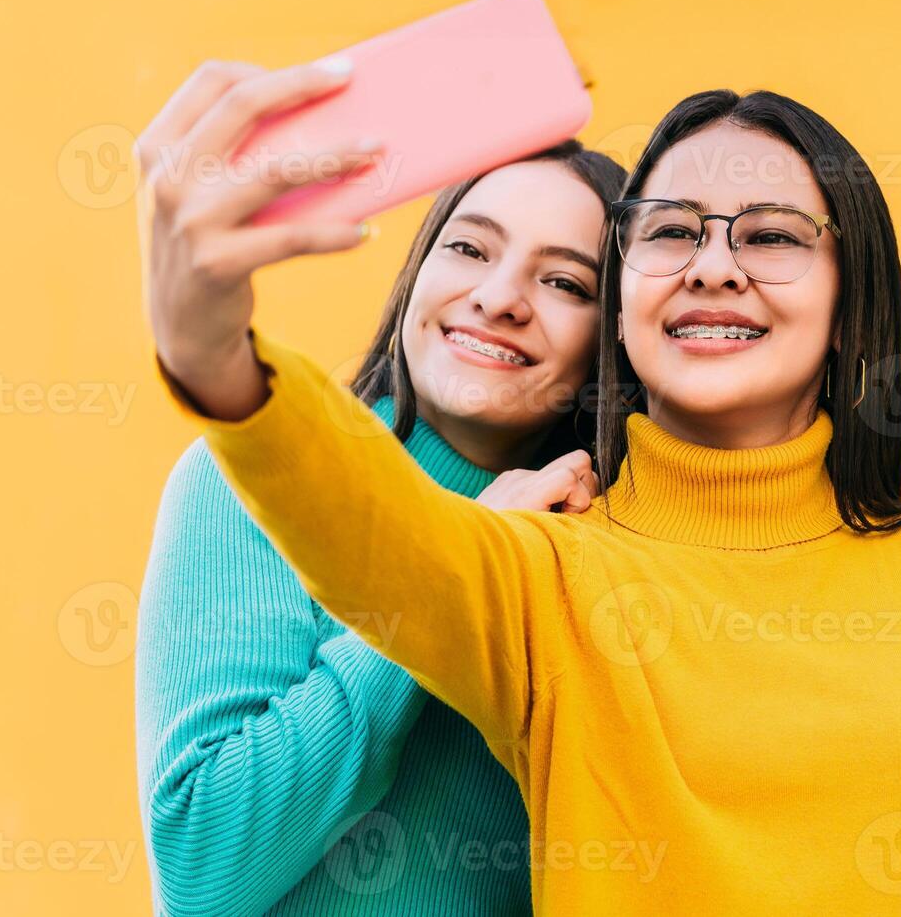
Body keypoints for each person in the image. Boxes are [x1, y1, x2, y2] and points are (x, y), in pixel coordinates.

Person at [143, 59, 901, 914]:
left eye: (772, 236)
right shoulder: (544, 566)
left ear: (848, 296)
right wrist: (212, 347)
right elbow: (363, 514)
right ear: (633, 310)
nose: (715, 266)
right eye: (672, 233)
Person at [134, 59, 624, 917]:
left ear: (608, 344)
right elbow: (204, 865)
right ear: (417, 272)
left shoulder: (604, 537)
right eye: (468, 247)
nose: (499, 297)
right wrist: (451, 569)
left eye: (565, 283)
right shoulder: (254, 474)